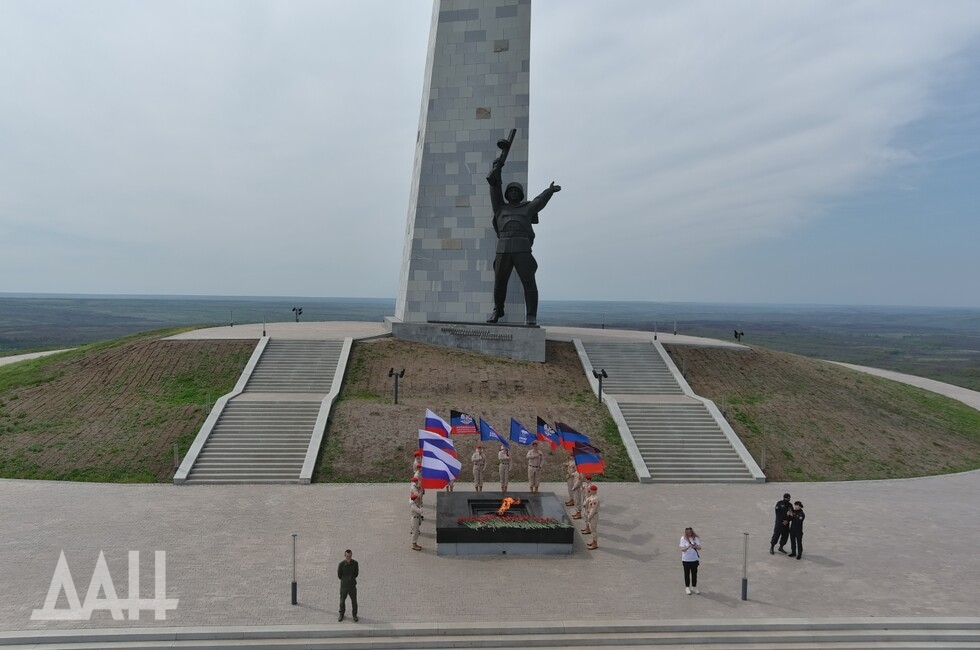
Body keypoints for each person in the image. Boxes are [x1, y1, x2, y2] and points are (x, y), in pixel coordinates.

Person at [485, 140, 561, 326]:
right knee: (499, 282)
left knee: (528, 281)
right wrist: (497, 167)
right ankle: (497, 310)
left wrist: (549, 191)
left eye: (515, 191)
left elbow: (539, 201)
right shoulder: (500, 209)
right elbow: (494, 186)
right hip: (503, 248)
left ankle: (531, 315)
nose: (511, 193)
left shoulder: (526, 208)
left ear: (520, 194)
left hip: (522, 248)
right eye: (509, 191)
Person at [337, 549, 359, 622]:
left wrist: (351, 579)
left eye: (349, 556)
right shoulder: (341, 564)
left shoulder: (355, 563)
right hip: (344, 586)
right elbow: (339, 575)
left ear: (351, 556)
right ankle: (341, 614)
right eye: (347, 556)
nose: (348, 558)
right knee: (342, 601)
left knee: (354, 601)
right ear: (345, 556)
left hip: (352, 586)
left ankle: (354, 615)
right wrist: (345, 580)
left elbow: (356, 574)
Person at [680, 527, 702, 595]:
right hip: (686, 559)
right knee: (687, 574)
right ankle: (687, 587)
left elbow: (699, 548)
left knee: (694, 574)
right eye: (688, 532)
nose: (689, 533)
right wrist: (688, 547)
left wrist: (695, 546)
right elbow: (682, 549)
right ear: (686, 532)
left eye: (690, 532)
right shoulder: (683, 538)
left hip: (694, 559)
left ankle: (694, 587)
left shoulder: (695, 538)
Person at [582, 484, 600, 550]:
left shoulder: (595, 499)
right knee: (591, 528)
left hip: (593, 515)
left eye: (591, 490)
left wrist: (589, 517)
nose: (590, 491)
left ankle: (595, 543)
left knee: (593, 529)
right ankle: (593, 541)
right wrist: (585, 503)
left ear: (594, 491)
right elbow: (587, 500)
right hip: (591, 514)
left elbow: (593, 509)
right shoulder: (592, 496)